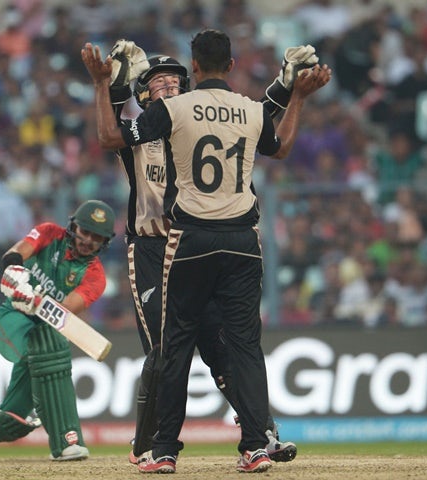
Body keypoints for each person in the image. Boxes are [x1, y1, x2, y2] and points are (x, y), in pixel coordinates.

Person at [82, 29, 331, 473]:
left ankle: (256, 435)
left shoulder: (181, 114)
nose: (166, 85)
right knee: (168, 349)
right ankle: (150, 444)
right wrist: (113, 83)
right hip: (159, 248)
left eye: (173, 79)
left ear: (191, 74)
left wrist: (283, 87)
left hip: (187, 242)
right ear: (143, 93)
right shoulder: (151, 126)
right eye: (155, 82)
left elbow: (248, 117)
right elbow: (258, 119)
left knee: (213, 348)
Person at [0, 199, 116, 462]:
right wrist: (15, 275)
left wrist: (35, 300)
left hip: (42, 334)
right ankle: (67, 440)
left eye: (96, 237)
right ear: (73, 226)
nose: (88, 240)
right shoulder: (49, 233)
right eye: (85, 232)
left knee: (14, 420)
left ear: (104, 242)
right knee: (52, 343)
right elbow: (14, 254)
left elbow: (62, 313)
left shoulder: (95, 277)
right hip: (10, 318)